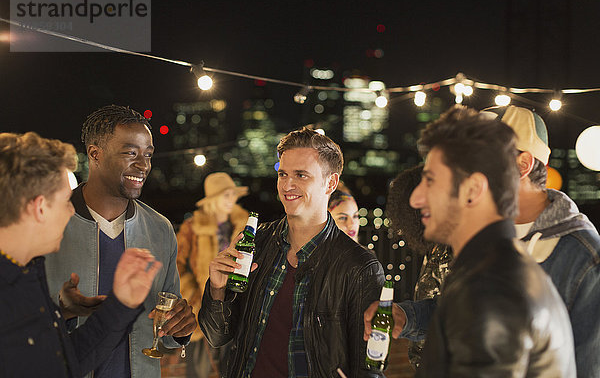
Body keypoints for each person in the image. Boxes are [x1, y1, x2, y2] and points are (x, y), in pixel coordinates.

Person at [373, 105, 600, 377]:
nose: (416, 198)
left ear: (523, 164)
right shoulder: (481, 246)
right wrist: (408, 316)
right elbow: (462, 315)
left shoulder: (580, 254)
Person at [198, 127, 385, 378]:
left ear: (330, 182)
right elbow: (217, 335)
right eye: (283, 173)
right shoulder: (258, 241)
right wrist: (217, 290)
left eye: (301, 175)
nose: (287, 185)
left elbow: (369, 367)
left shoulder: (359, 266)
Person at [44, 105, 197, 378]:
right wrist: (64, 311)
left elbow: (166, 335)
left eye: (148, 154)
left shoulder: (160, 230)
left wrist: (180, 330)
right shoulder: (47, 224)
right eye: (130, 153)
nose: (143, 165)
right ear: (95, 154)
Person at [0, 131, 163, 377]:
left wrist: (122, 304)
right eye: (66, 201)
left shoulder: (28, 273)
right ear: (40, 207)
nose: (70, 212)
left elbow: (66, 363)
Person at [176, 172, 249, 377]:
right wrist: (196, 298)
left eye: (233, 195)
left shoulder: (245, 227)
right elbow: (177, 267)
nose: (232, 200)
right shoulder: (193, 227)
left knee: (233, 367)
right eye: (226, 195)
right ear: (214, 199)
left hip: (236, 305)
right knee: (200, 369)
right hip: (203, 306)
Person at [386, 164, 452, 369]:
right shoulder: (435, 248)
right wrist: (405, 315)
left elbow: (453, 314)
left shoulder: (453, 249)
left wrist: (408, 317)